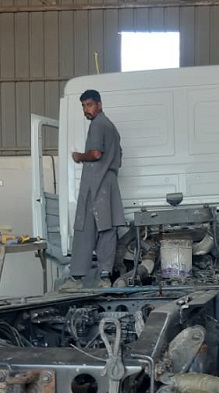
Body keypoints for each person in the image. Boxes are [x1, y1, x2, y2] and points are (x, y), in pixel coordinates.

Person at [63, 89, 126, 291]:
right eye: (83, 106)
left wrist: (79, 157)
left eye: (89, 105)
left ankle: (76, 279)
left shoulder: (98, 124)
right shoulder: (112, 127)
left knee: (84, 228)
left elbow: (96, 153)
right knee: (107, 230)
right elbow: (119, 159)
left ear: (99, 105)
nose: (86, 109)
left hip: (95, 184)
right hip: (109, 184)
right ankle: (105, 277)